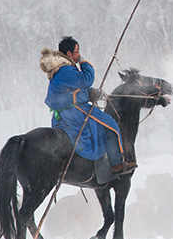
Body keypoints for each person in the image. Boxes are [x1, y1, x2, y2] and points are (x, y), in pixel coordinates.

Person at [40, 36, 135, 175]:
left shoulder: (62, 70)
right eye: (77, 52)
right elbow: (86, 80)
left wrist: (91, 93)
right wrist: (85, 63)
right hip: (73, 113)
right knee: (110, 124)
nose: (79, 55)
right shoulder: (65, 70)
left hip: (67, 112)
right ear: (69, 54)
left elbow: (73, 90)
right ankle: (117, 164)